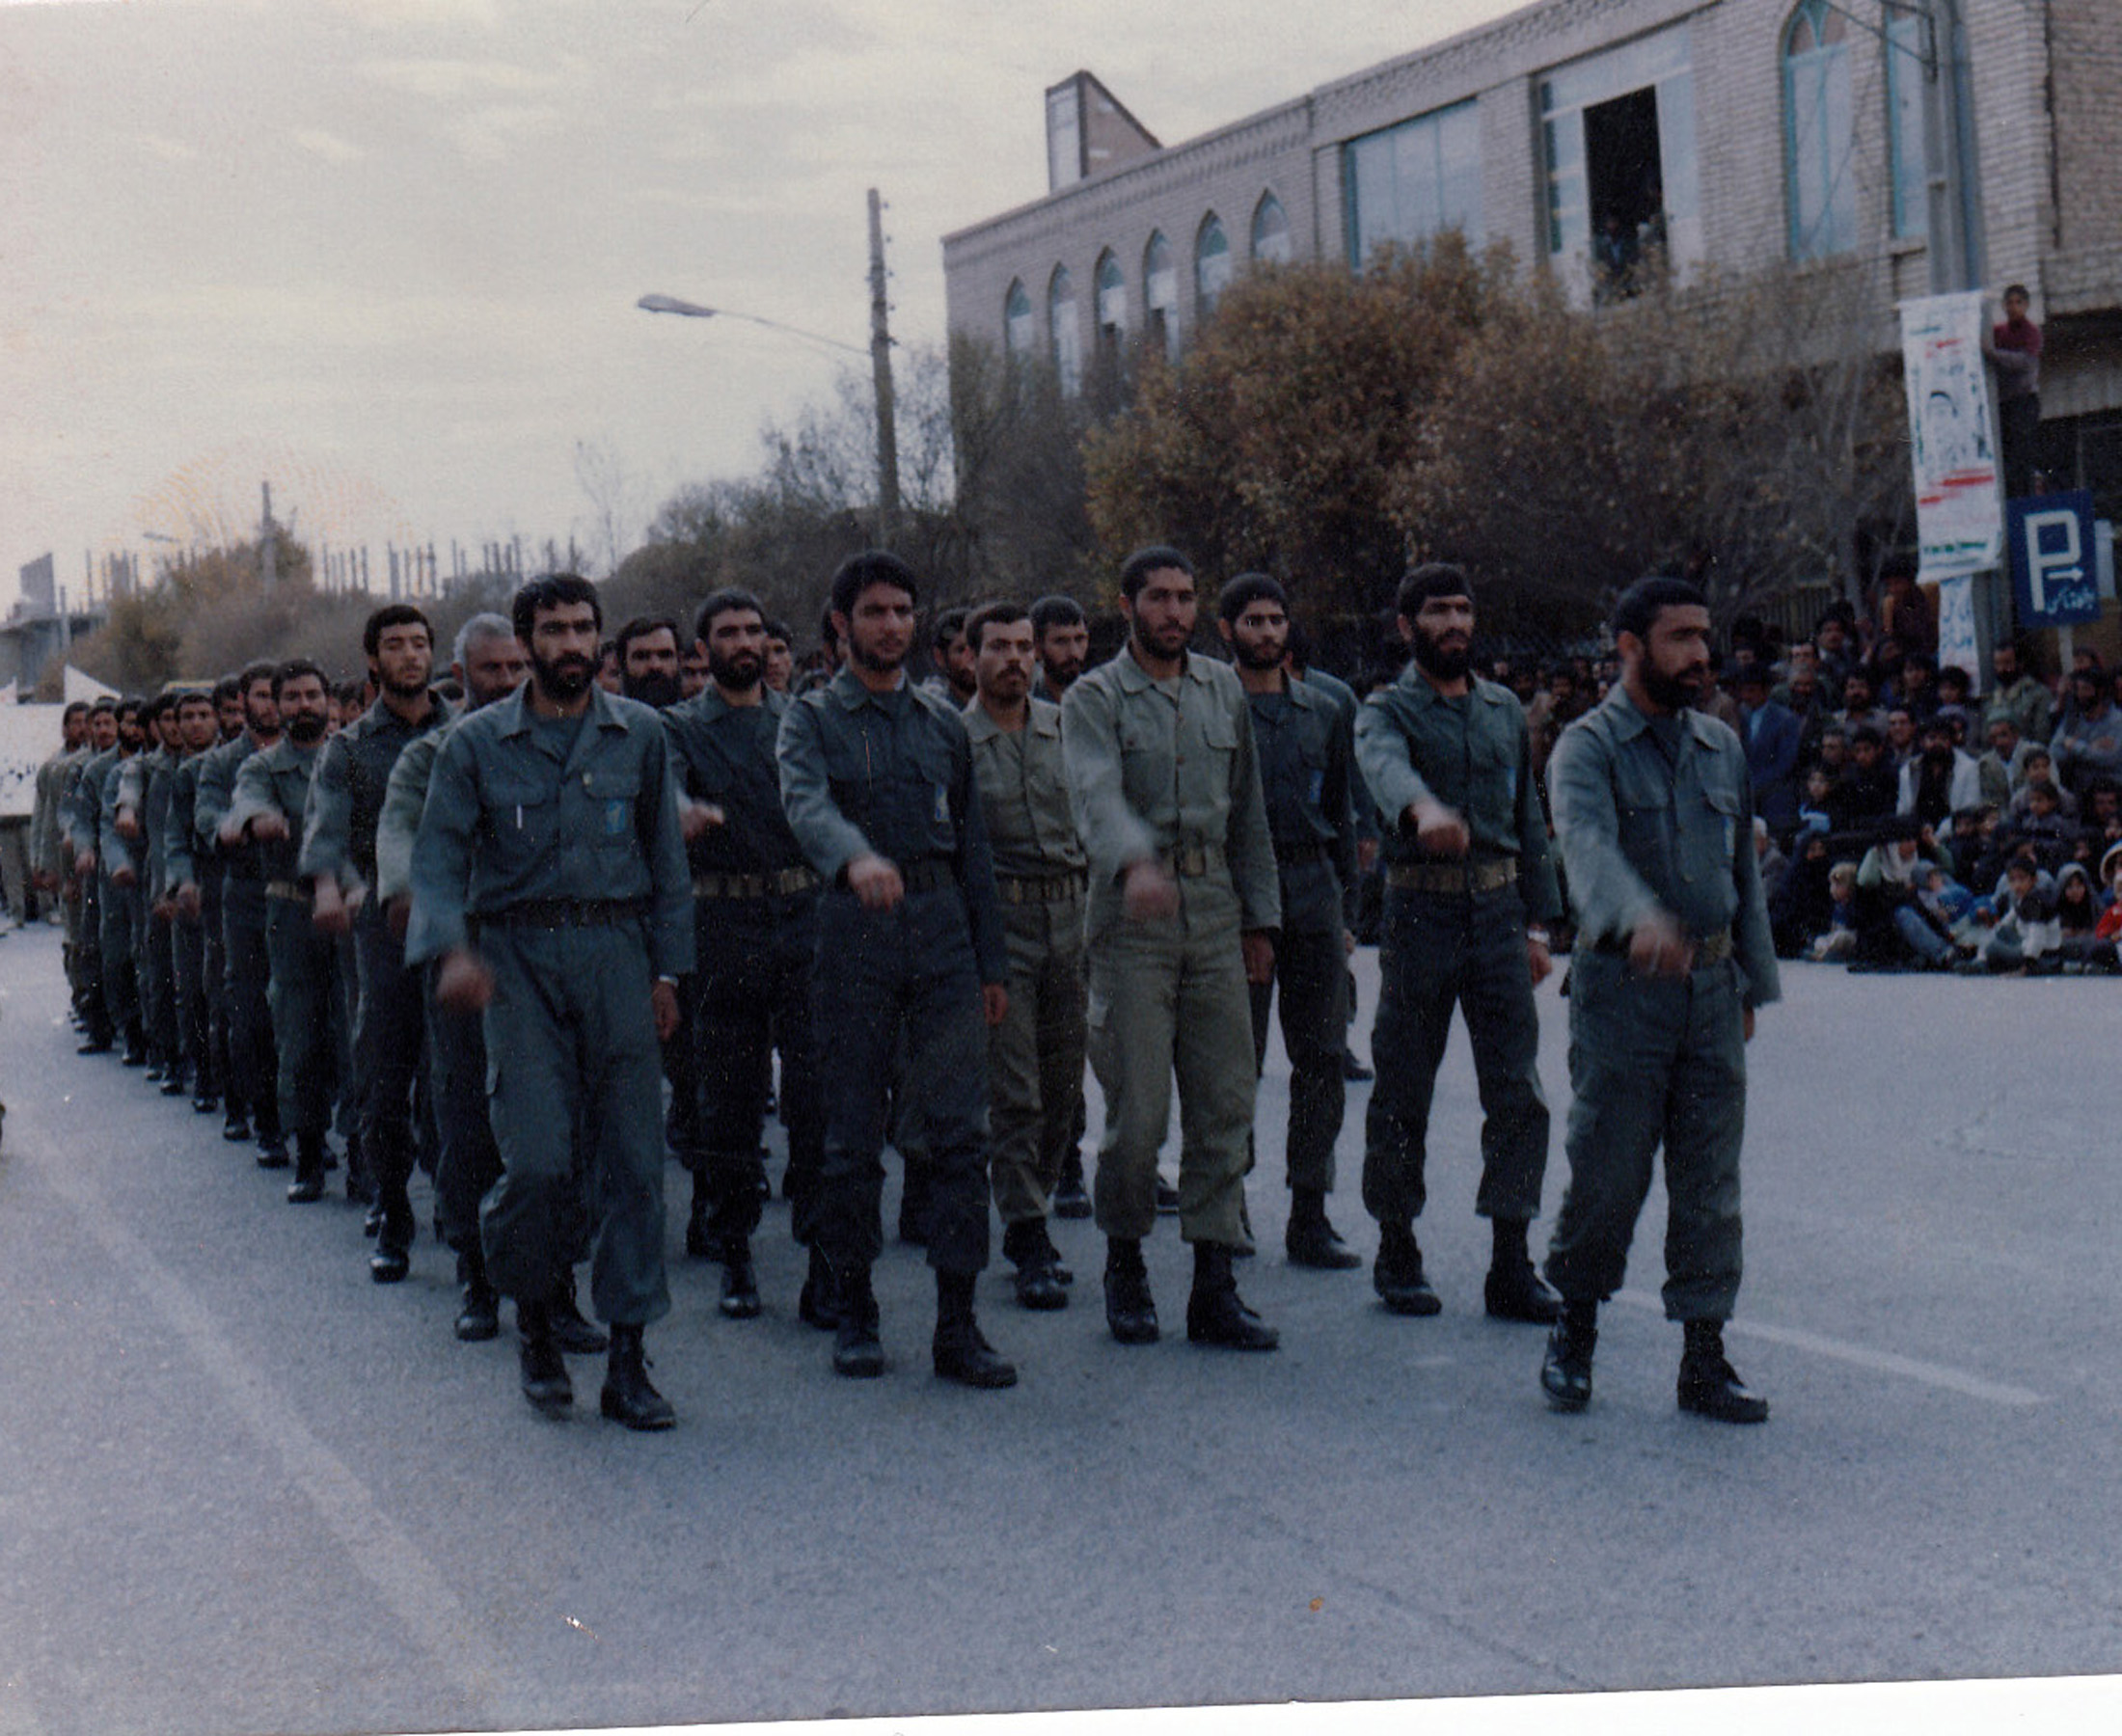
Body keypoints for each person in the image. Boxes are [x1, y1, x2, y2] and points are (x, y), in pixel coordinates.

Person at [408, 574, 693, 1428]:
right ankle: (534, 1321)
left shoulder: (640, 734)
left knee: (635, 1165)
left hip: (617, 956)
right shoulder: (475, 745)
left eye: (582, 628)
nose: (571, 644)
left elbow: (667, 863)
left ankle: (629, 1361)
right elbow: (436, 860)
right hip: (518, 962)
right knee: (534, 1162)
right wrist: (453, 951)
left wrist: (669, 974)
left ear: (599, 639)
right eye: (554, 630)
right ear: (527, 641)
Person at [1539, 576, 1779, 1424]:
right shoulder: (1586, 748)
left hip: (1711, 989)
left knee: (1710, 1180)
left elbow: (1741, 874)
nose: (1701, 653)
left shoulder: (1720, 744)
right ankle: (1573, 1329)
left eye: (1704, 636)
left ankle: (1704, 1357)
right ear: (1630, 648)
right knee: (1609, 1170)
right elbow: (1586, 846)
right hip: (1623, 990)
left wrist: (1753, 984)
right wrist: (1635, 917)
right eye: (1681, 637)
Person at [777, 551, 1016, 1387]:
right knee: (850, 1139)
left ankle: (958, 1324)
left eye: (902, 611)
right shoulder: (810, 719)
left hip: (942, 932)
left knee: (961, 1136)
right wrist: (854, 857)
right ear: (841, 624)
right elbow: (805, 803)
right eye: (874, 612)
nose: (891, 626)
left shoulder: (943, 723)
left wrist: (991, 964)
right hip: (855, 934)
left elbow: (973, 850)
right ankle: (854, 1310)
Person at [1060, 544, 1282, 1351]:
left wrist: (1260, 921)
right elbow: (1094, 791)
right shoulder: (1094, 698)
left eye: (1186, 597)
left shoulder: (1223, 689)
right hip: (1132, 919)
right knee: (1141, 1112)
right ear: (1127, 607)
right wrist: (1135, 860)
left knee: (1225, 1104)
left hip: (1214, 909)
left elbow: (1248, 813)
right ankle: (1125, 1266)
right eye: (1158, 597)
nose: (1175, 612)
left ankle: (1214, 1287)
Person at [1354, 565, 1563, 1321]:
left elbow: (1528, 815)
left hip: (1499, 915)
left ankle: (1511, 1261)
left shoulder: (1502, 709)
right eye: (1437, 611)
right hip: (1421, 913)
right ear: (1406, 626)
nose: (1454, 624)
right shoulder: (1386, 710)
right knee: (1403, 1085)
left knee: (1518, 1092)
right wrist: (1423, 810)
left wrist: (1539, 924)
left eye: (1463, 609)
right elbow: (1384, 768)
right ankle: (1397, 1246)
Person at [374, 613, 546, 1343]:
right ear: (460, 677)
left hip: (542, 953)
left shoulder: (552, 743)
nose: (506, 682)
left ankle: (555, 1286)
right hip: (465, 952)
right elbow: (399, 833)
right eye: (491, 671)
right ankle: (477, 1274)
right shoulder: (431, 755)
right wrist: (408, 900)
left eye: (516, 668)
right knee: (466, 1117)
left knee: (551, 1122)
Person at [662, 587, 826, 1323]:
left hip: (802, 917)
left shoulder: (801, 721)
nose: (743, 642)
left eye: (753, 630)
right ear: (704, 650)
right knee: (727, 1100)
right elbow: (663, 790)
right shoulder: (679, 728)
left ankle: (824, 1255)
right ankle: (734, 1249)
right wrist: (680, 812)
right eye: (727, 632)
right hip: (722, 925)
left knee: (816, 1097)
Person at [1215, 575, 1362, 1269]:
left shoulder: (1324, 711)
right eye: (1253, 621)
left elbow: (1341, 817)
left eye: (1276, 619)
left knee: (1323, 1055)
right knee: (1235, 1058)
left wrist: (1347, 912)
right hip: (1238, 892)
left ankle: (1311, 1210)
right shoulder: (1213, 708)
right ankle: (1228, 1201)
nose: (1268, 632)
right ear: (1227, 630)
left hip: (1311, 888)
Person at [300, 605, 449, 1281]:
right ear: (372, 660)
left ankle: (458, 1204)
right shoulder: (350, 748)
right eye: (395, 645)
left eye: (419, 643)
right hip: (382, 925)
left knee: (455, 1078)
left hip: (455, 920)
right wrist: (341, 888)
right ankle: (392, 1209)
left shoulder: (463, 733)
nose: (410, 656)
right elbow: (329, 832)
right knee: (383, 1075)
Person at [962, 599, 1088, 1311]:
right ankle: (1027, 1229)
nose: (1014, 659)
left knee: (1064, 1086)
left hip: (1071, 917)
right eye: (998, 647)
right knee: (1016, 1091)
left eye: (1022, 647)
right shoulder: (956, 741)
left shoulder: (1068, 729)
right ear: (972, 656)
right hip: (1001, 923)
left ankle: (1032, 1199)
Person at [226, 661, 345, 1203]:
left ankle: (365, 1156)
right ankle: (309, 1151)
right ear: (276, 706)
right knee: (299, 1032)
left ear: (328, 701)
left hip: (352, 909)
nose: (304, 705)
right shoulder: (263, 766)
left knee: (356, 1034)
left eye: (312, 695)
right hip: (293, 912)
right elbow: (247, 802)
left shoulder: (348, 756)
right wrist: (260, 820)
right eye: (292, 697)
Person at [195, 665, 283, 1157]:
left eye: (276, 695)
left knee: (309, 1014)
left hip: (298, 891)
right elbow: (208, 815)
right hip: (246, 893)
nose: (271, 705)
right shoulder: (223, 762)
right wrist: (235, 826)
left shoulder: (311, 752)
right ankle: (262, 1118)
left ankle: (305, 1122)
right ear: (245, 703)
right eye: (261, 696)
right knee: (249, 1012)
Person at [1028, 592, 1096, 1216]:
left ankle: (1110, 1158)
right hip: (1044, 895)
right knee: (1051, 1045)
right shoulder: (1023, 709)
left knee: (1100, 1040)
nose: (1073, 653)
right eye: (1060, 642)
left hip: (1097, 889)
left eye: (1079, 640)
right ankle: (1063, 1160)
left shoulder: (1096, 704)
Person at [1986, 284, 2043, 499]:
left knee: (2022, 457)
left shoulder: (2032, 332)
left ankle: (2025, 499)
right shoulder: (1999, 332)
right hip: (2004, 403)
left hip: (2024, 401)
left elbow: (2024, 362)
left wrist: (1994, 354)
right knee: (2006, 456)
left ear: (2026, 305)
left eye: (2018, 302)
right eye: (2009, 303)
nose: (2013, 307)